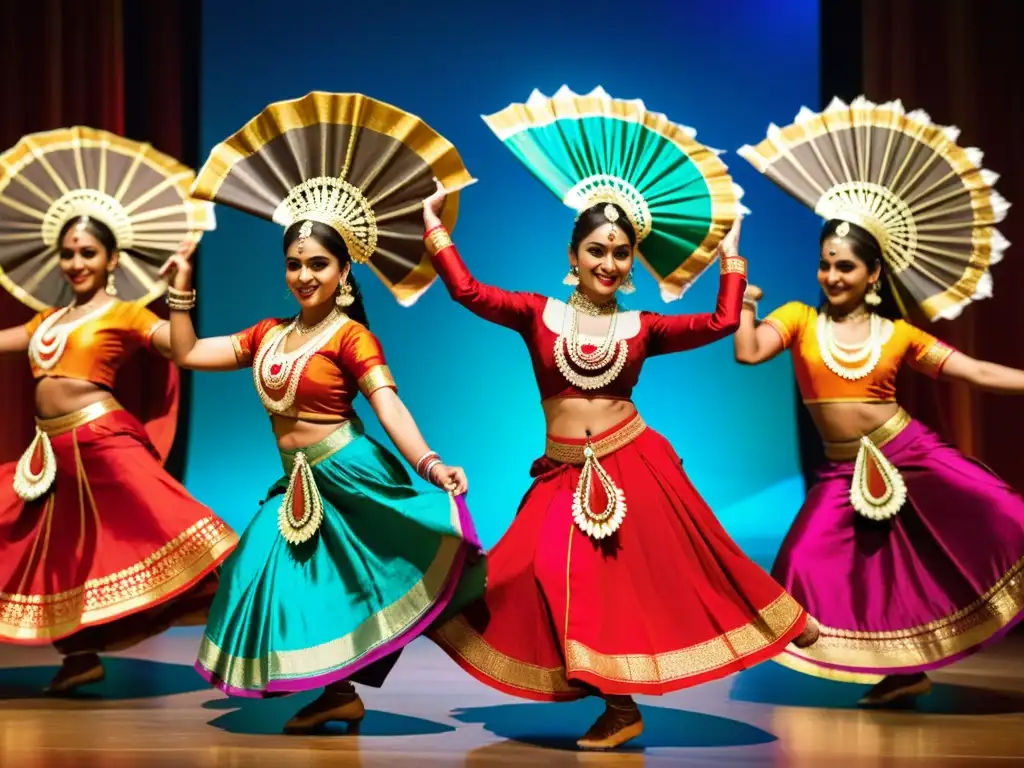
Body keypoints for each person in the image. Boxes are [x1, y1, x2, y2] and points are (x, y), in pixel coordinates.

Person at [425, 181, 816, 749]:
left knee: (690, 560)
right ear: (572, 255)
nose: (608, 263)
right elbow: (467, 291)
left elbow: (720, 324)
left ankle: (773, 626)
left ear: (632, 260)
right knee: (517, 570)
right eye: (596, 250)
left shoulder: (643, 328)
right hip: (562, 474)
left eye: (620, 252)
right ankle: (614, 701)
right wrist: (436, 226)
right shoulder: (539, 314)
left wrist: (731, 257)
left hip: (630, 462)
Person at [164, 91, 483, 734]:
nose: (304, 275)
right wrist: (179, 291)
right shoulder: (266, 334)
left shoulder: (350, 337)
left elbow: (388, 405)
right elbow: (191, 352)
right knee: (263, 570)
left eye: (318, 264)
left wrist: (429, 462)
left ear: (343, 272)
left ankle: (342, 691)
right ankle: (339, 695)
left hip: (348, 470)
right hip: (298, 481)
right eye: (294, 264)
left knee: (351, 579)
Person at [736, 96, 1024, 706]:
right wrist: (743, 303)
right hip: (842, 470)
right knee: (804, 564)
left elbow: (970, 371)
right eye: (824, 265)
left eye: (844, 267)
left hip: (910, 453)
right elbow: (749, 353)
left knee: (1000, 516)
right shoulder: (797, 319)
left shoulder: (898, 335)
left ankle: (904, 672)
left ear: (872, 274)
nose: (831, 277)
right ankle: (899, 671)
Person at [0, 202, 236, 694]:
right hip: (52, 454)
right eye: (68, 253)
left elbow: (179, 348)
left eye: (88, 252)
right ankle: (79, 658)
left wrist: (180, 290)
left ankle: (263, 615)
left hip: (103, 443)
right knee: (66, 556)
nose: (76, 262)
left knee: (175, 526)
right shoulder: (47, 320)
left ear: (111, 260)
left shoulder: (127, 313)